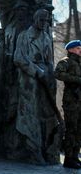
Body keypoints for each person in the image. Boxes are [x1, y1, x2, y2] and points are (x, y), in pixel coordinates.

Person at [13, 9, 62, 164]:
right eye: (41, 20)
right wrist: (37, 71)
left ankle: (48, 150)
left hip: (45, 80)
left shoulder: (47, 37)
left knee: (47, 114)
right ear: (35, 19)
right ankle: (34, 152)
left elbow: (49, 60)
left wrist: (49, 75)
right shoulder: (24, 36)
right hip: (30, 81)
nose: (44, 23)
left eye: (46, 20)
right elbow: (19, 58)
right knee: (30, 115)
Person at [54, 40, 81, 169]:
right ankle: (69, 159)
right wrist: (77, 80)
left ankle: (75, 157)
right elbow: (58, 73)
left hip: (79, 100)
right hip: (71, 101)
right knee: (71, 129)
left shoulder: (79, 63)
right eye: (77, 48)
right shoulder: (66, 61)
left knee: (79, 130)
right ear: (70, 50)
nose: (80, 50)